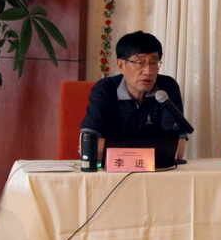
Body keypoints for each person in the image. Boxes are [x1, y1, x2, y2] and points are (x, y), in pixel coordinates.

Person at [80, 31, 188, 162]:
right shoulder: (105, 89)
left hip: (157, 171)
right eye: (140, 63)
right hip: (111, 170)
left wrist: (114, 147)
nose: (148, 71)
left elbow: (177, 150)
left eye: (154, 63)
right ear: (121, 65)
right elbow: (87, 146)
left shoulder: (167, 88)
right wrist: (154, 147)